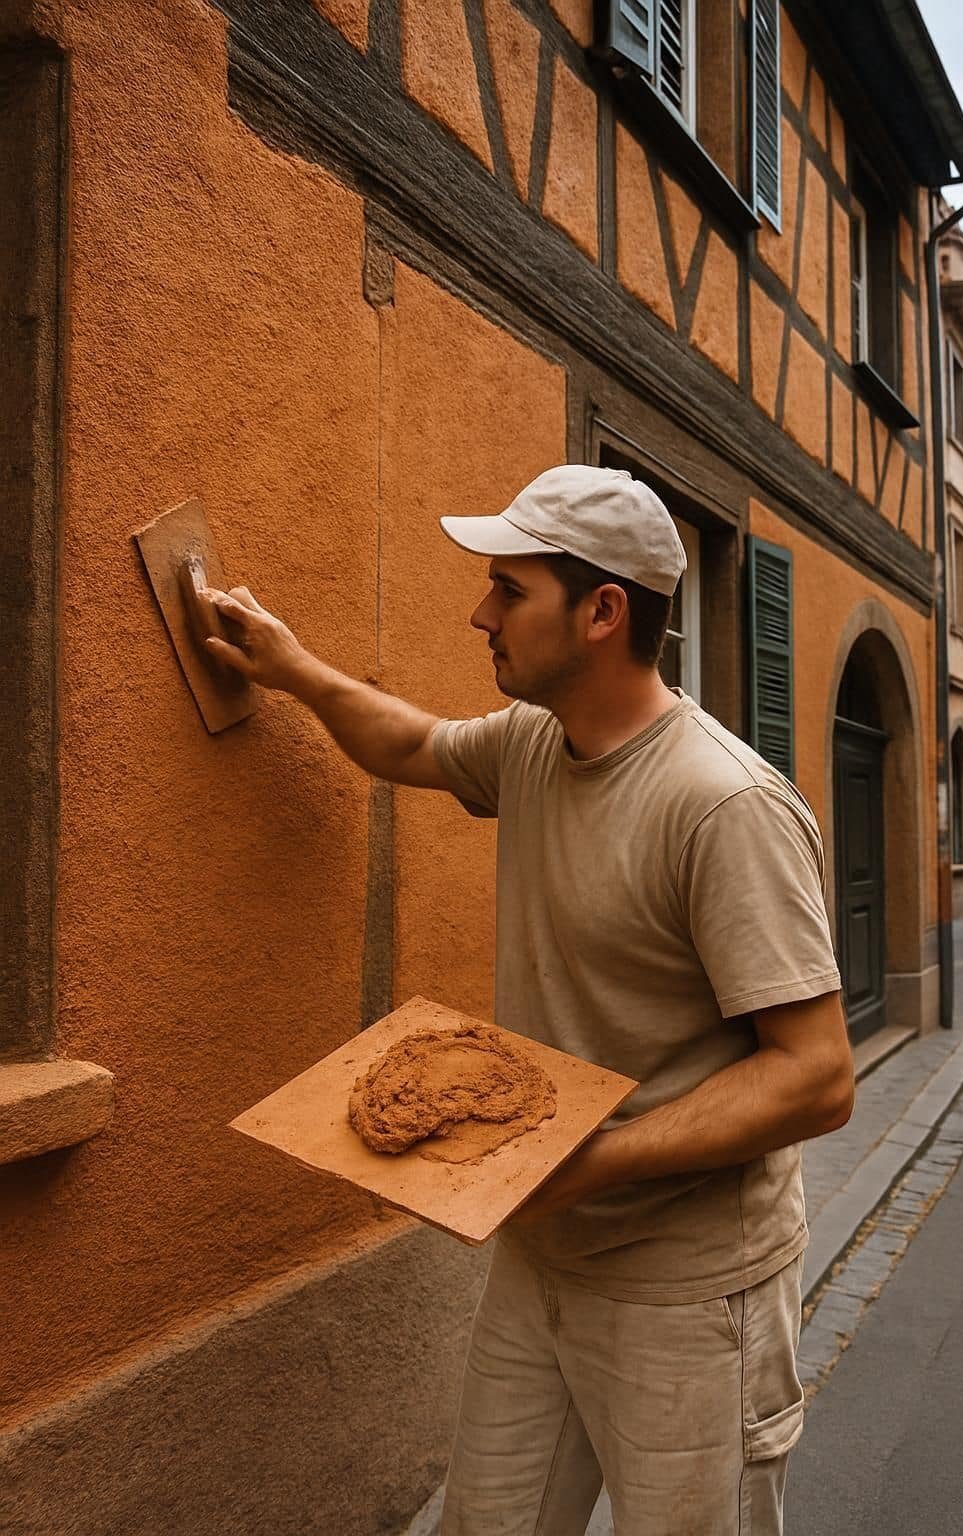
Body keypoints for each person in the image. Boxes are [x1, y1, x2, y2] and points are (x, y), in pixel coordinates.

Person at [206, 464, 854, 1536]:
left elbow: (816, 1075)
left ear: (602, 611)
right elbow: (409, 743)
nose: (480, 613)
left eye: (509, 590)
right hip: (544, 1261)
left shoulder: (721, 803)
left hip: (690, 1292)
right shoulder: (531, 746)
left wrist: (582, 1162)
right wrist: (293, 670)